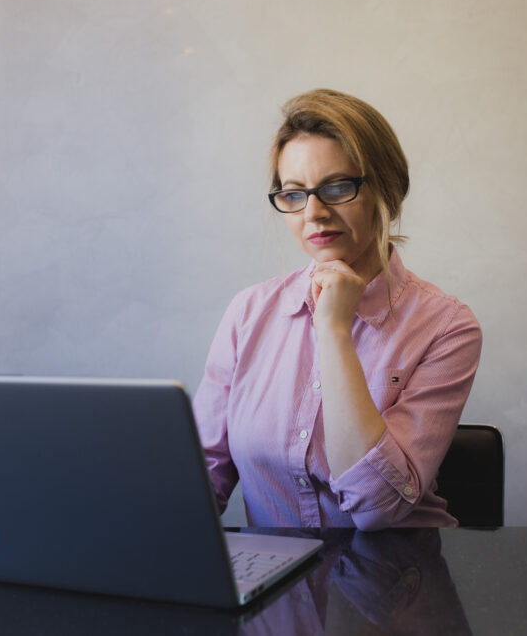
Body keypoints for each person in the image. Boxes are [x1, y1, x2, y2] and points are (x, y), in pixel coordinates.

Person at [193, 89, 482, 530]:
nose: (314, 212)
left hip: (399, 579)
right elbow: (200, 481)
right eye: (293, 194)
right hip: (278, 583)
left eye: (336, 187)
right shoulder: (248, 312)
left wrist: (333, 331)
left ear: (385, 189)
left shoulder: (447, 327)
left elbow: (378, 508)